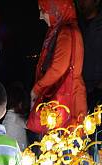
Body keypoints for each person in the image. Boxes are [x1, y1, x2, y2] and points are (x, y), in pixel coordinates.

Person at [29, 0, 86, 128]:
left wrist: (37, 88)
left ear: (56, 9)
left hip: (65, 101)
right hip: (69, 97)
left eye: (43, 10)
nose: (40, 16)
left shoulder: (65, 31)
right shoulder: (62, 30)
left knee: (61, 143)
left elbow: (58, 69)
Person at [3, 82, 31, 150]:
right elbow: (31, 125)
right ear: (20, 103)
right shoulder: (15, 118)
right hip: (20, 154)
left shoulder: (8, 116)